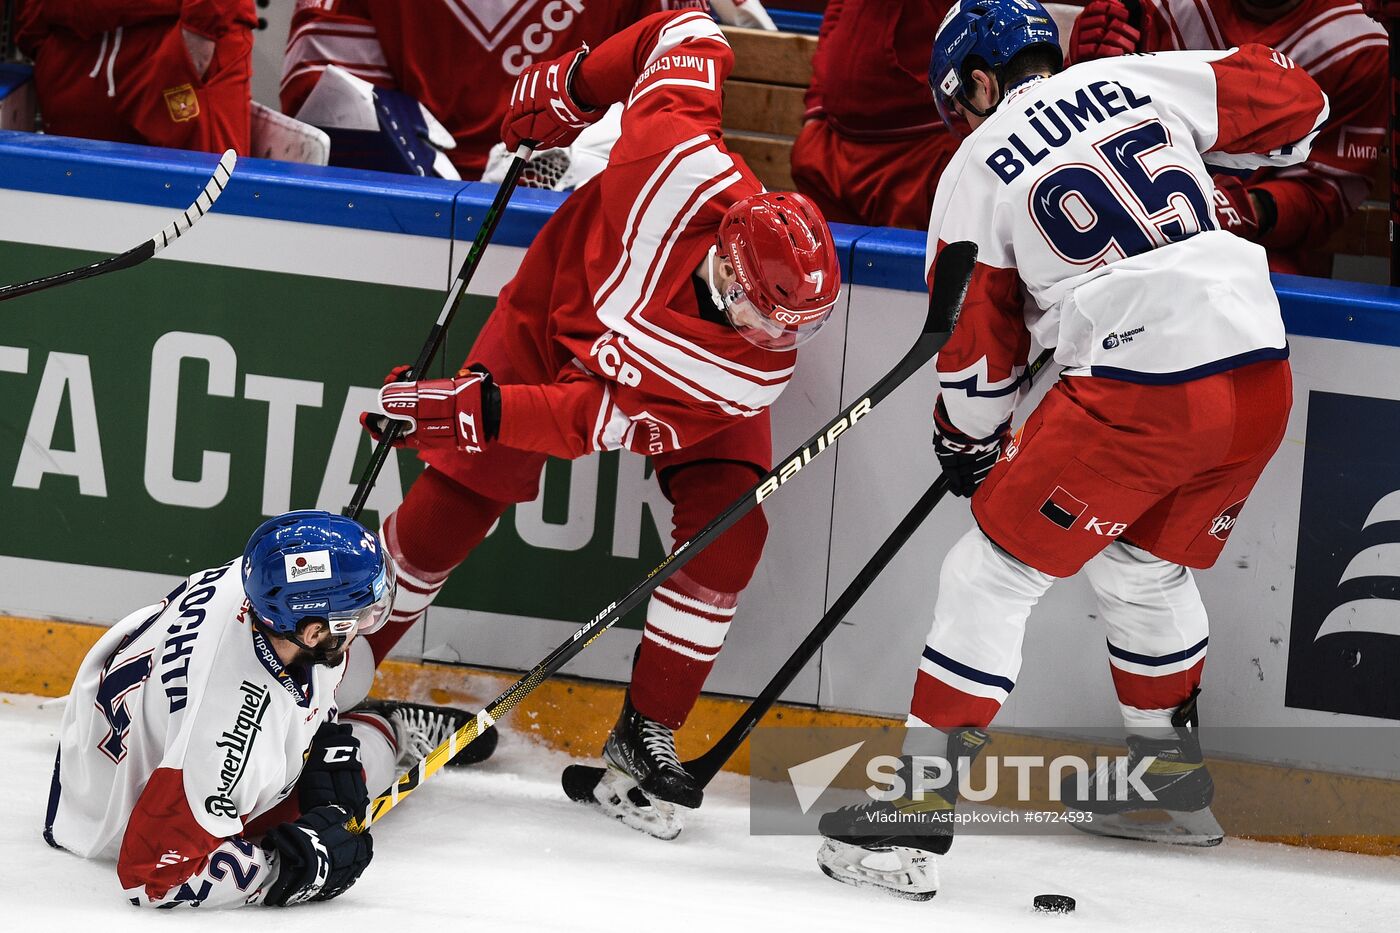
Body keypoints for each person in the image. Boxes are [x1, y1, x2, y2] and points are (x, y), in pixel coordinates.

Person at [815, 0, 1326, 900]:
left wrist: (965, 441)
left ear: (977, 81)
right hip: (1258, 368)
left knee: (990, 575)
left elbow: (977, 352)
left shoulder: (973, 169)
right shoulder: (1129, 77)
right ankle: (1170, 789)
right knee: (1142, 570)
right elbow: (1300, 103)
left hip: (1146, 388)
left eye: (957, 100)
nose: (962, 121)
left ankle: (912, 823)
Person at [359, 8, 841, 839]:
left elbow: (586, 421)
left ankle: (645, 729)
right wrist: (574, 84)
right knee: (455, 500)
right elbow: (687, 29)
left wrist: (475, 406)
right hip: (557, 310)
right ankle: (335, 671)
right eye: (769, 318)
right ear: (728, 270)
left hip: (642, 392)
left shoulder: (745, 366)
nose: (781, 343)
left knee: (730, 531)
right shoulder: (672, 157)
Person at [41, 510, 490, 908]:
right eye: (359, 615)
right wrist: (292, 867)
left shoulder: (258, 578)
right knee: (365, 767)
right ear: (312, 631)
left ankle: (336, 723)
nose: (367, 621)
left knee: (352, 668)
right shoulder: (229, 739)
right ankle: (385, 728)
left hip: (102, 746)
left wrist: (325, 736)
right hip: (123, 815)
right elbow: (152, 878)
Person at [279, 0, 774, 179]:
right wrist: (423, 183)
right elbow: (329, 96)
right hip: (415, 210)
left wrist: (583, 161)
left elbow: (681, 82)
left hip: (579, 214)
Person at [1069, 0, 1386, 276]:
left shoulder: (1358, 39)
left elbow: (1323, 193)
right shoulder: (1151, 9)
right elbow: (1080, 142)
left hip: (1261, 253)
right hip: (1121, 236)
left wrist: (1237, 210)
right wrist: (1080, 74)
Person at [791, 0, 960, 230]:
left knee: (903, 262)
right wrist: (817, 105)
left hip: (919, 153)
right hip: (832, 147)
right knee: (827, 261)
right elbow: (837, 12)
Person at [16, 0, 256, 154]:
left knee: (202, 208)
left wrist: (201, 31)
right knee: (71, 210)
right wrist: (35, 25)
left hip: (175, 38)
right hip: (75, 46)